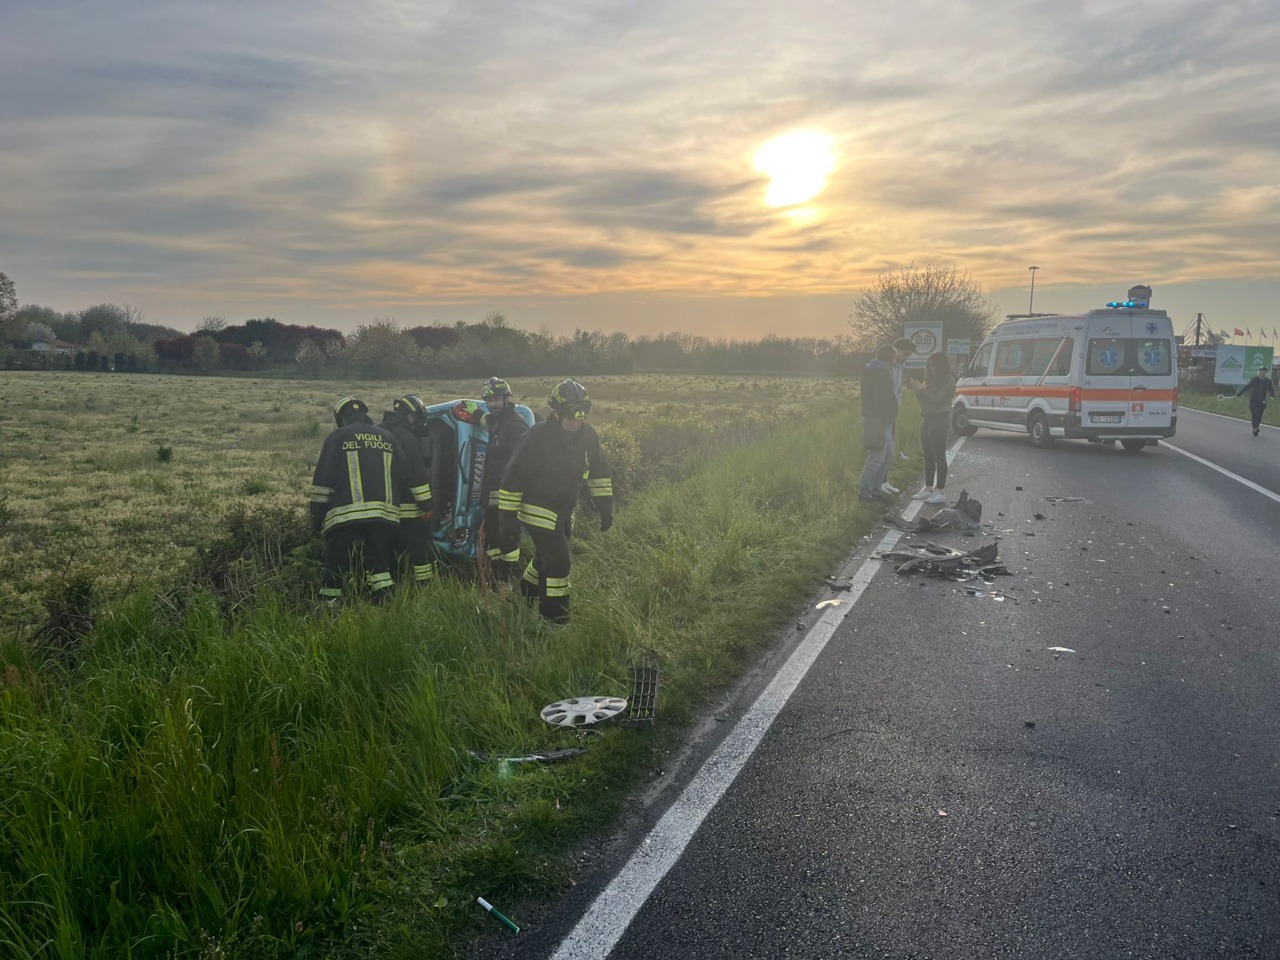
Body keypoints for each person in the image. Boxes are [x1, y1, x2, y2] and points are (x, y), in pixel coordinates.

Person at [496, 379, 613, 624]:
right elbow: (511, 480)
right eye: (569, 415)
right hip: (537, 510)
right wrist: (507, 523)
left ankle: (521, 598)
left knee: (544, 558)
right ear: (556, 412)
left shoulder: (587, 435)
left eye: (580, 415)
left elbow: (600, 471)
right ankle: (553, 621)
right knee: (559, 562)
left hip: (564, 510)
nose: (574, 421)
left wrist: (605, 507)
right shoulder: (535, 438)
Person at [309, 397, 432, 604]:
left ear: (342, 418)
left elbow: (323, 481)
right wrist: (426, 505)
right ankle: (387, 605)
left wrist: (316, 517)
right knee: (379, 565)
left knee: (336, 563)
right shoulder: (387, 437)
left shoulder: (337, 437)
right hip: (382, 516)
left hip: (344, 515)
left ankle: (328, 608)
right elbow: (408, 474)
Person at [378, 394, 439, 585]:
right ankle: (425, 587)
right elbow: (417, 478)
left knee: (387, 552)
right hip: (407, 509)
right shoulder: (407, 438)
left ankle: (391, 588)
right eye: (415, 418)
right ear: (406, 414)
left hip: (380, 508)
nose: (415, 424)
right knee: (419, 550)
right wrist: (427, 506)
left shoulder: (375, 432)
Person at [477, 378, 529, 581]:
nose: (493, 404)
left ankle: (510, 580)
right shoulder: (497, 423)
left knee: (508, 541)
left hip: (508, 498)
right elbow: (487, 422)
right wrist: (476, 414)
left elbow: (523, 464)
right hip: (493, 497)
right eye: (489, 400)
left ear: (507, 399)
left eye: (497, 399)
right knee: (492, 541)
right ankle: (494, 579)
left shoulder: (516, 426)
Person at [909, 352, 957, 504]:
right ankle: (928, 488)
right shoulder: (929, 380)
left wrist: (921, 390)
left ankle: (940, 491)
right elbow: (923, 400)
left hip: (940, 419)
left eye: (933, 365)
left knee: (939, 456)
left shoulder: (948, 380)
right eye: (928, 365)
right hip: (926, 419)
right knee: (927, 456)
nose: (930, 368)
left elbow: (939, 399)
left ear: (940, 365)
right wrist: (918, 389)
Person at [858, 345, 899, 501]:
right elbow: (881, 400)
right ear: (890, 357)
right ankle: (865, 492)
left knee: (887, 456)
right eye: (894, 357)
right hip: (878, 420)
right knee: (876, 457)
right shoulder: (879, 373)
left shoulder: (874, 371)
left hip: (881, 419)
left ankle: (875, 489)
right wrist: (887, 416)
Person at [877, 337, 917, 495]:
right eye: (905, 354)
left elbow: (898, 390)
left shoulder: (901, 366)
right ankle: (877, 483)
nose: (906, 358)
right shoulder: (886, 366)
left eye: (909, 355)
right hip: (882, 413)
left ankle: (884, 481)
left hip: (892, 412)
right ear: (897, 350)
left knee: (890, 450)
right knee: (882, 450)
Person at [1236, 367, 1275, 436]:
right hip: (1254, 401)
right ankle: (1255, 428)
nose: (1263, 372)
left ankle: (1256, 427)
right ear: (1259, 372)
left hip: (1262, 401)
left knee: (1259, 415)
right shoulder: (1254, 380)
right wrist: (1239, 394)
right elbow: (1247, 387)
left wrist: (1272, 396)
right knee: (1255, 414)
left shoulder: (1268, 381)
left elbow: (1271, 389)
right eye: (1262, 371)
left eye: (1264, 371)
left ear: (1266, 373)